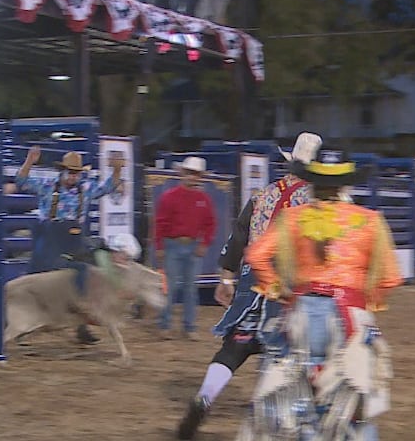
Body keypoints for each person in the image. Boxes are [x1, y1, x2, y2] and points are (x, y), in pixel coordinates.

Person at [239, 149, 402, 440]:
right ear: (344, 186)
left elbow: (256, 256)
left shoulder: (292, 218)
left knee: (296, 390)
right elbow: (391, 278)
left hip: (301, 314)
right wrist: (367, 302)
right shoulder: (369, 220)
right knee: (355, 393)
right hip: (348, 318)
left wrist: (280, 291)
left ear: (311, 184)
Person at [177, 132, 323, 440]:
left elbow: (239, 236)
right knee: (293, 355)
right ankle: (291, 420)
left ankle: (204, 397)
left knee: (233, 348)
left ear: (289, 166)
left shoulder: (262, 195)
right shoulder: (314, 205)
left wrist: (226, 277)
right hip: (287, 291)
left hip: (251, 285)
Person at [15, 147, 122, 344]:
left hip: (73, 238)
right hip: (50, 237)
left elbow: (109, 187)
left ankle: (82, 324)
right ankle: (23, 326)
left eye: (76, 173)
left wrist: (117, 170)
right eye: (70, 172)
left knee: (90, 271)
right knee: (35, 279)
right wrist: (29, 161)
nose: (73, 177)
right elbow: (21, 181)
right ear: (62, 171)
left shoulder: (86, 189)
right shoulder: (48, 186)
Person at [153, 156, 216, 340]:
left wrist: (205, 243)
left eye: (196, 174)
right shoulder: (169, 197)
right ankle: (165, 324)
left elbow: (210, 223)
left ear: (200, 177)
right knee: (170, 288)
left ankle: (189, 327)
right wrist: (160, 246)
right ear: (183, 174)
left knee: (190, 289)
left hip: (192, 246)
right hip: (172, 245)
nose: (192, 177)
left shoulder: (203, 199)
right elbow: (160, 223)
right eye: (190, 173)